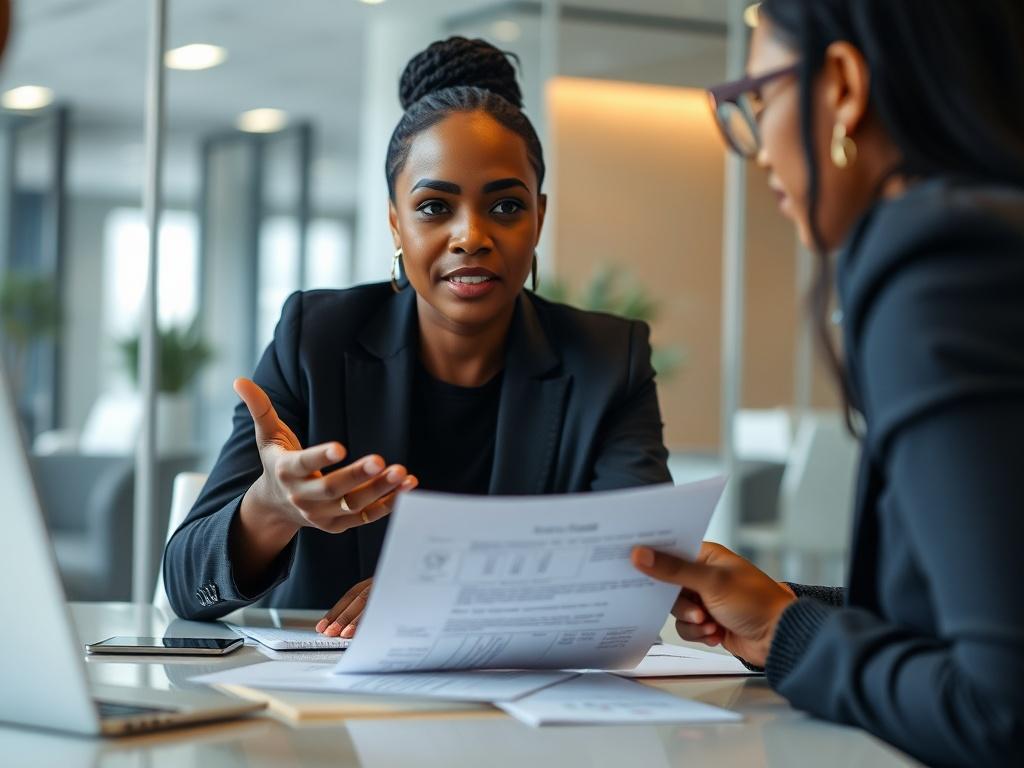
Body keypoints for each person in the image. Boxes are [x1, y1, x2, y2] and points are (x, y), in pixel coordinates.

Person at [165, 37, 672, 635]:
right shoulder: (316, 341)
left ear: (539, 216)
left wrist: (448, 593)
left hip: (527, 712)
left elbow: (641, 567)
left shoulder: (608, 361)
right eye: (434, 207)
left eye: (506, 207)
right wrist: (271, 508)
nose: (471, 237)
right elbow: (185, 585)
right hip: (326, 713)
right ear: (395, 222)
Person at [632, 1, 1024, 765]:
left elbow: (999, 708)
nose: (757, 149)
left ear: (841, 85)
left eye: (760, 97)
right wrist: (787, 613)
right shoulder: (989, 235)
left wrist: (788, 635)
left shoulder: (940, 269)